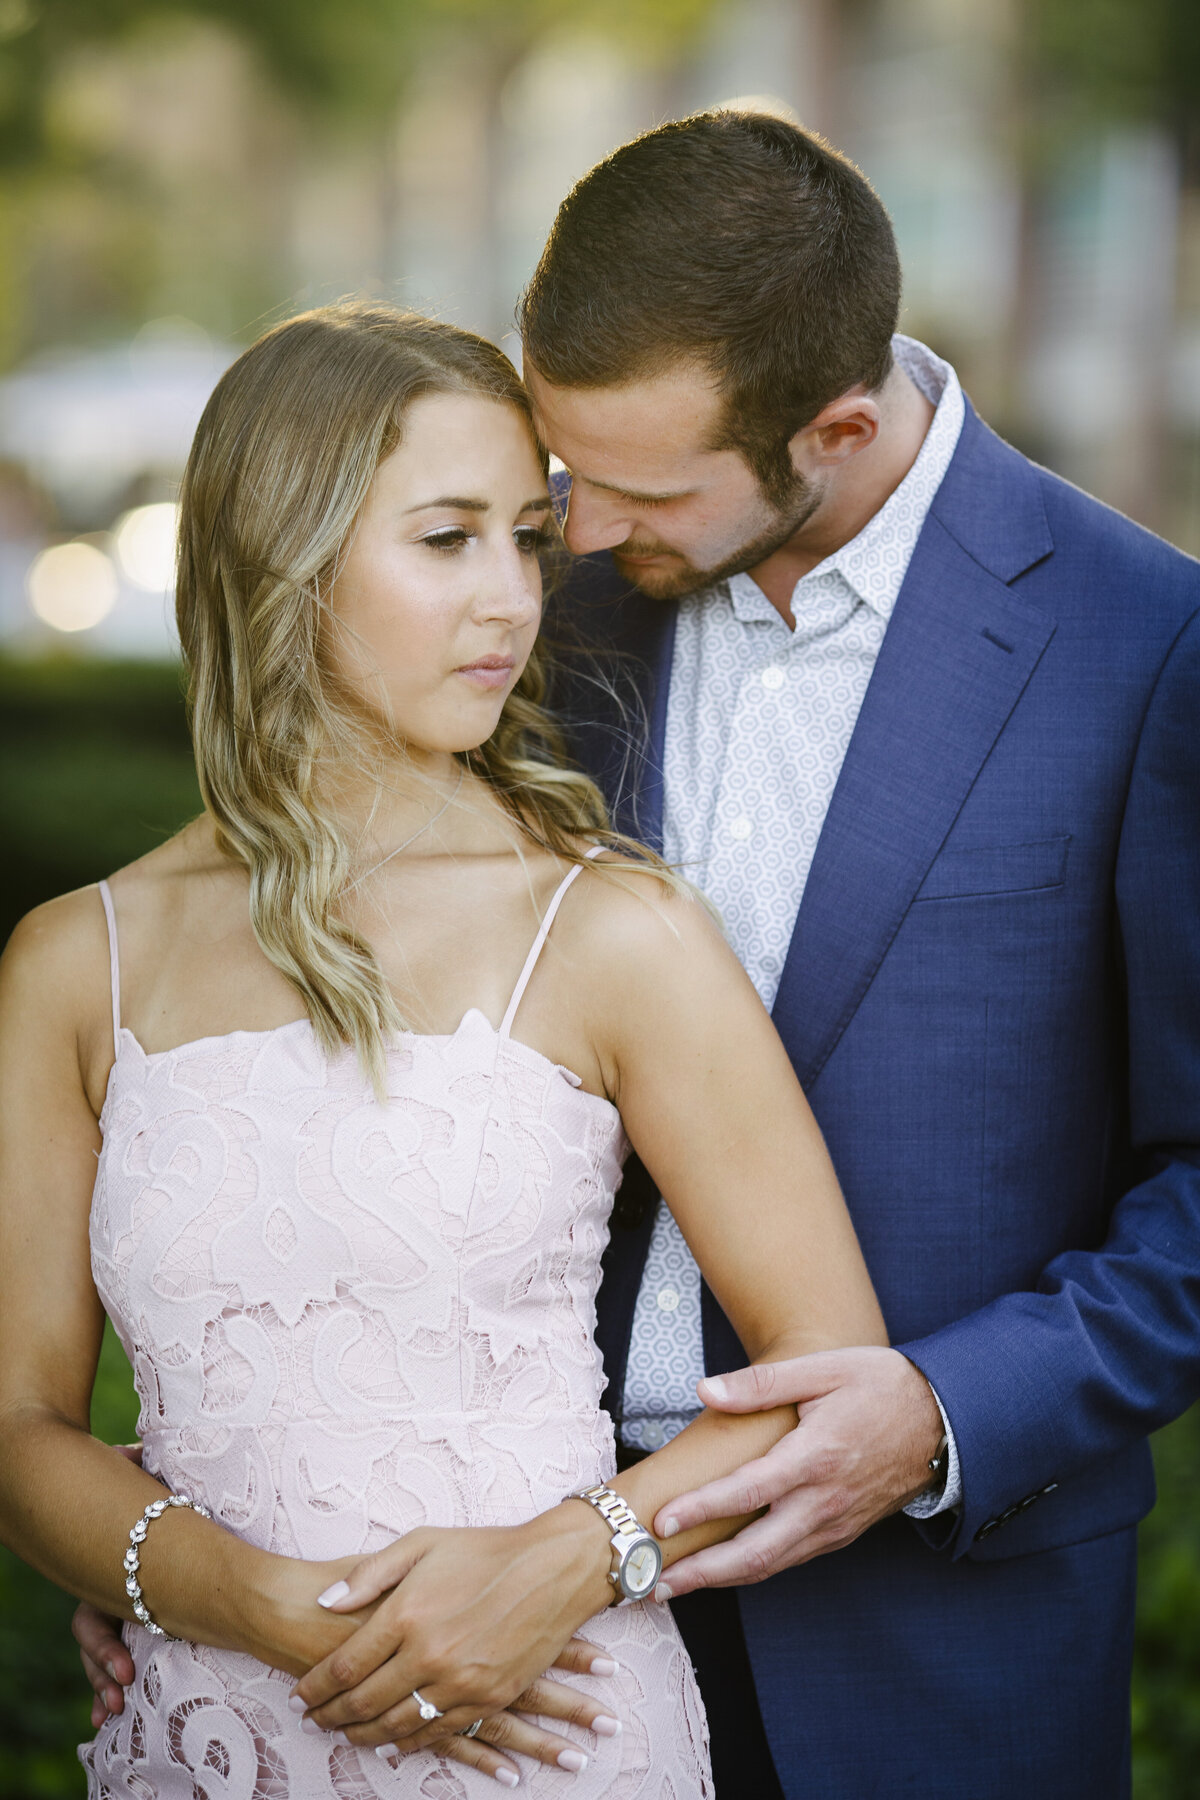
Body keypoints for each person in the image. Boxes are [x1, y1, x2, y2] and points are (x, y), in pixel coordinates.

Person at [0, 301, 890, 1798]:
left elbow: (827, 1380)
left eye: (527, 541)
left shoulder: (614, 931)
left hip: (551, 1731)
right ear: (284, 555)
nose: (512, 601)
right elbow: (22, 1429)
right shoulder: (72, 959)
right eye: (446, 539)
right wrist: (237, 1599)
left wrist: (574, 1559)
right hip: (203, 1734)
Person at [502, 110, 1200, 1800]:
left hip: (932, 1646)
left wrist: (947, 1416)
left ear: (838, 426)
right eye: (563, 472)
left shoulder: (1149, 645)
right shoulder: (551, 612)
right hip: (530, 1614)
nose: (579, 536)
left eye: (643, 490)